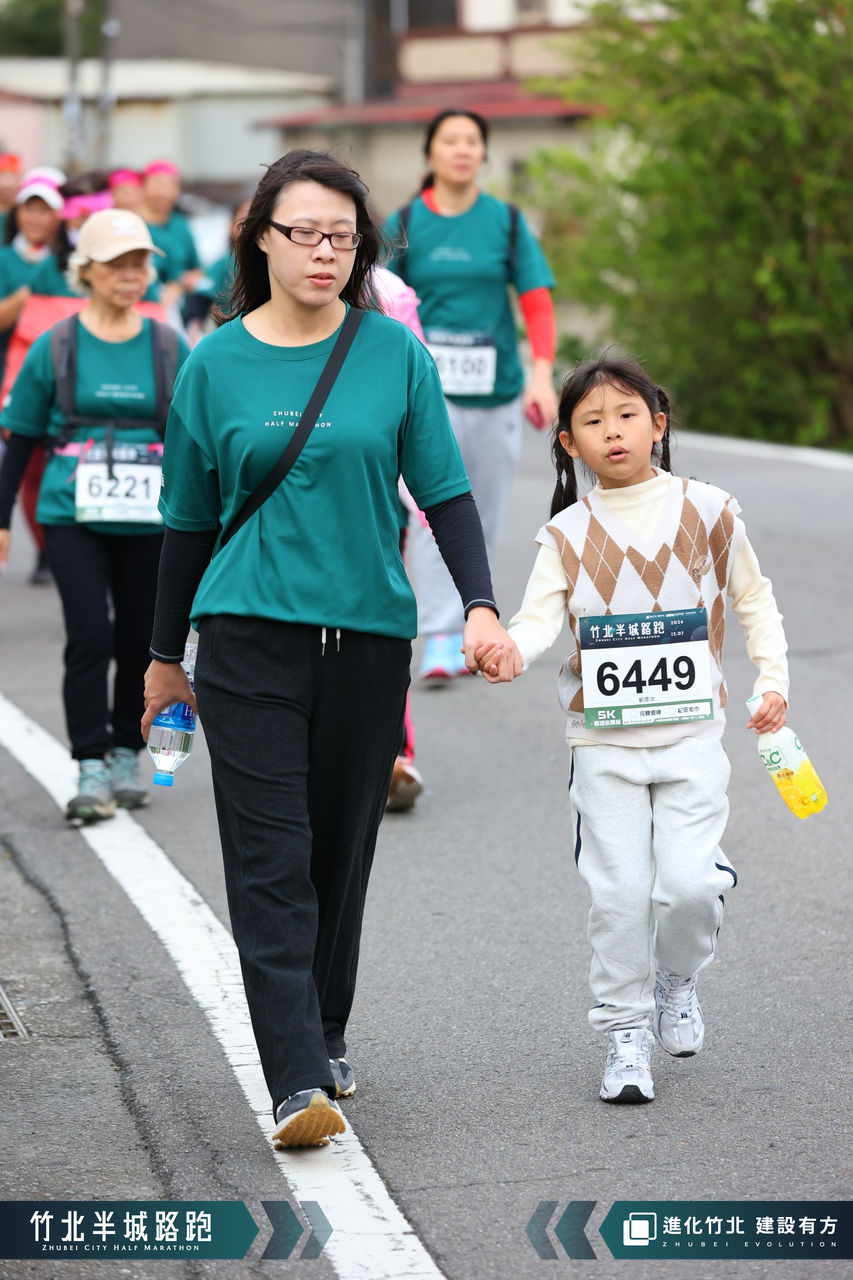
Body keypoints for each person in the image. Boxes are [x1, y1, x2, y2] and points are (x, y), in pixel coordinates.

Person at [140, 149, 519, 1149]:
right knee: (269, 858)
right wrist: (164, 655)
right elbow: (186, 520)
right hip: (245, 640)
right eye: (304, 231)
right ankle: (295, 1074)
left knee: (337, 851)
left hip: (367, 639)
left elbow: (444, 494)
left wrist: (479, 606)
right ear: (259, 239)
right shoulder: (214, 364)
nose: (323, 251)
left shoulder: (393, 353)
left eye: (342, 237)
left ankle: (327, 1027)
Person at [476, 354, 789, 1104]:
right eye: (592, 421)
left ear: (658, 423)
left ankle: (676, 978)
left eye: (626, 415)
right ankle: (623, 1036)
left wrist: (773, 680)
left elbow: (754, 598)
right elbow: (537, 619)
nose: (611, 432)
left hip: (692, 737)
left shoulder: (708, 509)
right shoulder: (564, 534)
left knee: (686, 889)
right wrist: (509, 649)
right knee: (617, 895)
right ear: (567, 443)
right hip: (602, 745)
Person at [0, 208, 189, 823]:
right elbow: (21, 435)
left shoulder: (168, 344)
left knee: (140, 637)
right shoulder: (57, 344)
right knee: (89, 635)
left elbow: (198, 437)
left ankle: (126, 753)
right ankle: (88, 762)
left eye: (140, 264)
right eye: (117, 265)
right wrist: (2, 519)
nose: (131, 276)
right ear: (87, 271)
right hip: (71, 515)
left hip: (151, 518)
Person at [384, 109, 559, 683]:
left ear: (483, 154)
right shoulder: (405, 222)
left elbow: (536, 302)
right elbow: (375, 297)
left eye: (471, 141)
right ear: (430, 153)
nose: (461, 150)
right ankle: (438, 634)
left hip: (495, 394)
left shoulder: (505, 222)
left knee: (480, 513)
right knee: (430, 511)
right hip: (424, 394)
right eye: (450, 140)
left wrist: (540, 374)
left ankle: (473, 620)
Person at [0, 167, 66, 582]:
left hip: (64, 376)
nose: (36, 218)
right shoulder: (5, 259)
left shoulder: (70, 262)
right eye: (29, 209)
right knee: (29, 466)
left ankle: (62, 541)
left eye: (45, 210)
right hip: (14, 373)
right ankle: (44, 548)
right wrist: (29, 297)